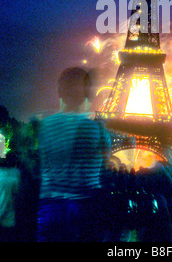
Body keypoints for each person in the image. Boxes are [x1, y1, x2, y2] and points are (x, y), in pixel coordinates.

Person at [37, 67, 111, 242]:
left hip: (51, 204)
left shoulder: (45, 126)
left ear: (60, 92)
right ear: (86, 93)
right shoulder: (98, 129)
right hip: (87, 204)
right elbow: (105, 165)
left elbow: (40, 162)